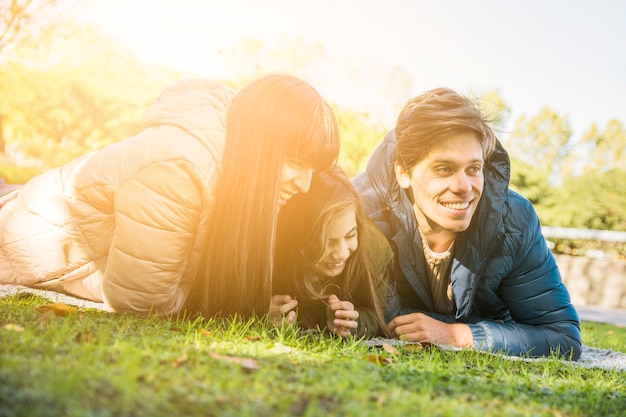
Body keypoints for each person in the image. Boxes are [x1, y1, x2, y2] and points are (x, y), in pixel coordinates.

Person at [0, 74, 340, 319]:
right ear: (258, 145)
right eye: (295, 163)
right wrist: (233, 307)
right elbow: (140, 301)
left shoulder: (228, 172)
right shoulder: (181, 168)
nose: (305, 185)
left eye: (313, 170)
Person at [353, 87, 582, 359]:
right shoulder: (361, 213)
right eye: (444, 169)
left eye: (474, 169)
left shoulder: (514, 221)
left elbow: (561, 336)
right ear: (403, 172)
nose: (464, 187)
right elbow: (369, 315)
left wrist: (459, 335)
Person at [271, 166, 392, 338]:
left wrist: (351, 321)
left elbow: (376, 316)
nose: (341, 253)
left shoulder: (373, 250)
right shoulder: (274, 249)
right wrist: (264, 310)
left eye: (350, 235)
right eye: (327, 242)